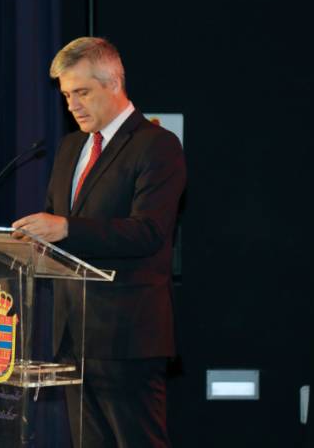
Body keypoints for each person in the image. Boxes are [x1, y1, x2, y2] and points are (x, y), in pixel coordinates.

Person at [12, 36, 186, 447]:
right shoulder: (71, 147)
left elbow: (149, 232)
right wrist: (32, 242)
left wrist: (67, 229)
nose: (72, 105)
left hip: (127, 336)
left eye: (83, 92)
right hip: (74, 336)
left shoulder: (156, 145)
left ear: (114, 83)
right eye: (66, 95)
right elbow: (56, 221)